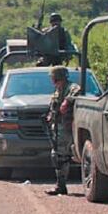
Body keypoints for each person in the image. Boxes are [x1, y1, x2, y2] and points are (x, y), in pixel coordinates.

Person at [45, 66, 80, 195]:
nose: (52, 80)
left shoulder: (71, 87)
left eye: (53, 77)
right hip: (57, 127)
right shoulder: (57, 90)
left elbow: (77, 92)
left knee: (60, 156)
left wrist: (67, 101)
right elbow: (54, 106)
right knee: (57, 156)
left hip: (66, 128)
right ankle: (60, 184)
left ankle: (61, 186)